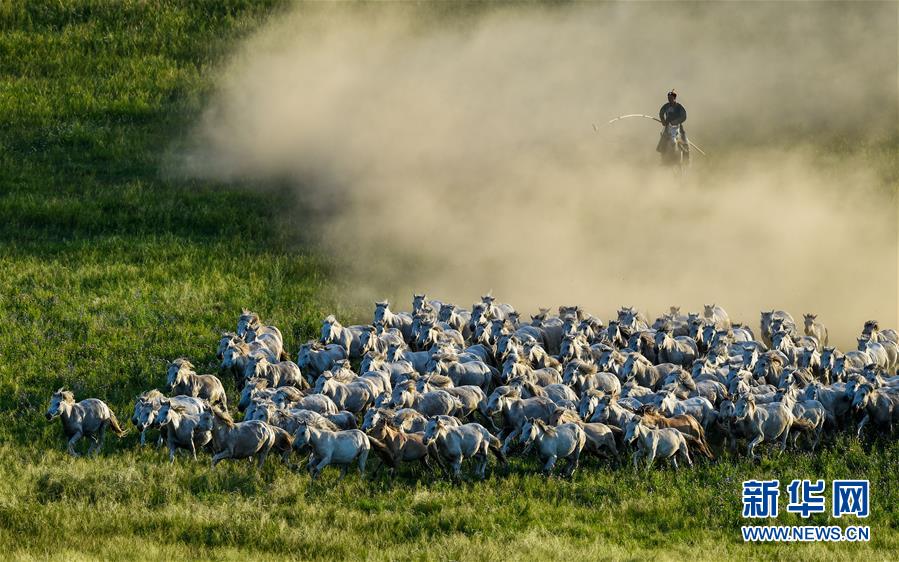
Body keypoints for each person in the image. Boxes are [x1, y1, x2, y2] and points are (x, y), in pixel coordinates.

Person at [656, 89, 689, 154]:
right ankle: (662, 155)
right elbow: (661, 113)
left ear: (674, 98)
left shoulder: (679, 107)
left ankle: (686, 156)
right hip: (668, 125)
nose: (669, 99)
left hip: (678, 126)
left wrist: (675, 122)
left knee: (684, 139)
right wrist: (663, 120)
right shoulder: (666, 106)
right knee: (663, 138)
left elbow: (684, 116)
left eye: (671, 98)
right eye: (668, 98)